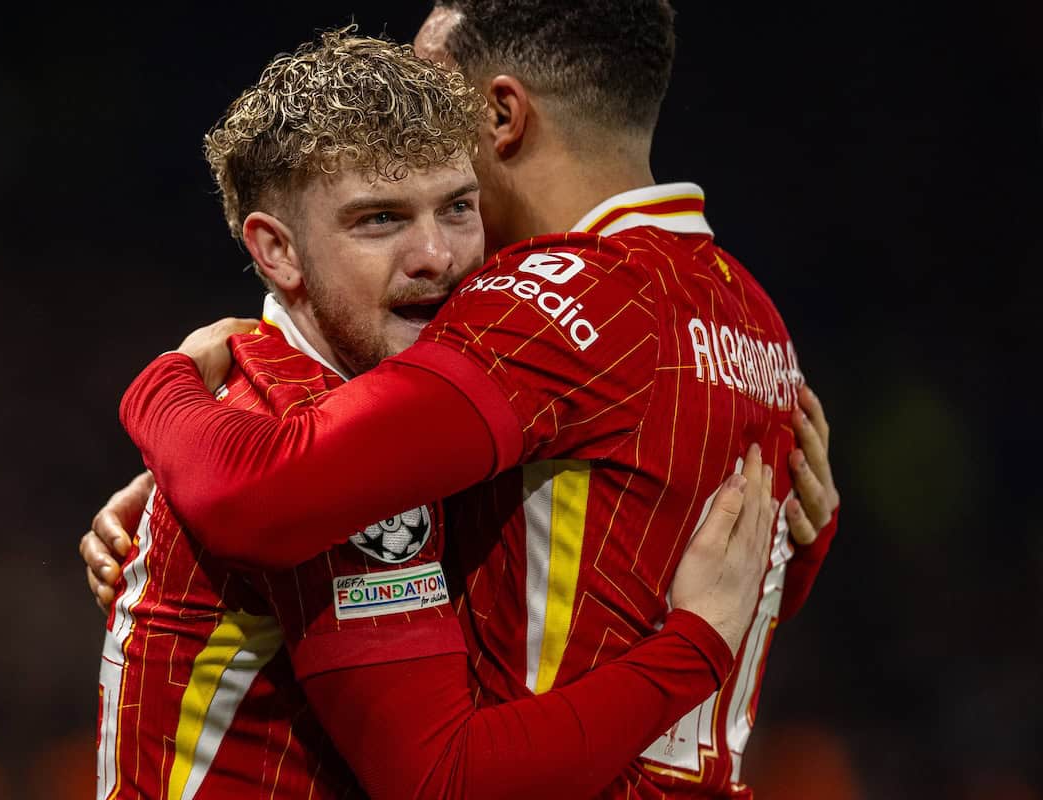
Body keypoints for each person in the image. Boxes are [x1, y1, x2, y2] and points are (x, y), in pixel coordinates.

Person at [113, 1, 843, 796]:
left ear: (500, 114)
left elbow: (263, 491)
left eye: (435, 95)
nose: (413, 118)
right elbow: (706, 575)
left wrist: (166, 389)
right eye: (381, 217)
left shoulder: (543, 305)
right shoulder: (752, 317)